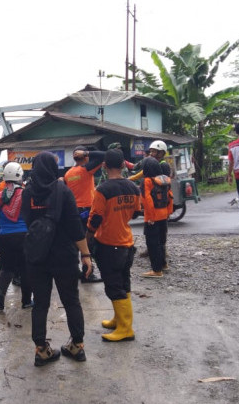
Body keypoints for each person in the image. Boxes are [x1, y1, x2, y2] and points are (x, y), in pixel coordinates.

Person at [21, 152, 92, 366]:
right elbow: (75, 228)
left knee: (40, 304)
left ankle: (41, 350)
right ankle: (77, 347)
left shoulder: (27, 193)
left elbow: (28, 222)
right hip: (64, 256)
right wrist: (86, 255)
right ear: (53, 167)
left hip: (37, 257)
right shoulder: (63, 191)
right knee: (71, 301)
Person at [87, 149, 141, 342]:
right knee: (123, 282)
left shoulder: (103, 190)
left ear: (104, 166)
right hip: (126, 241)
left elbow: (96, 218)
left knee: (114, 286)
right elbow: (136, 213)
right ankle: (119, 319)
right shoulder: (134, 187)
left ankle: (126, 329)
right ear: (123, 165)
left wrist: (88, 238)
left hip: (110, 243)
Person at [0, 162, 32, 311]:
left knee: (6, 268)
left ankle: (0, 296)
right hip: (23, 235)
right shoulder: (26, 193)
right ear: (20, 175)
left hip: (4, 237)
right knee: (26, 268)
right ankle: (26, 301)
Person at [63, 145, 106, 283]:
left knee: (76, 242)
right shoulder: (86, 170)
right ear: (85, 157)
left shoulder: (68, 174)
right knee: (88, 243)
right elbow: (105, 155)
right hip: (87, 211)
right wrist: (88, 152)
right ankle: (88, 273)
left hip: (73, 211)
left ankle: (74, 272)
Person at [140, 157, 173, 278]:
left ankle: (156, 270)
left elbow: (147, 200)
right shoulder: (164, 179)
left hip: (152, 217)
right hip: (164, 215)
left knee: (152, 244)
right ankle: (164, 264)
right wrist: (168, 212)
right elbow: (170, 196)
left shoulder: (146, 181)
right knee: (161, 241)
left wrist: (151, 217)